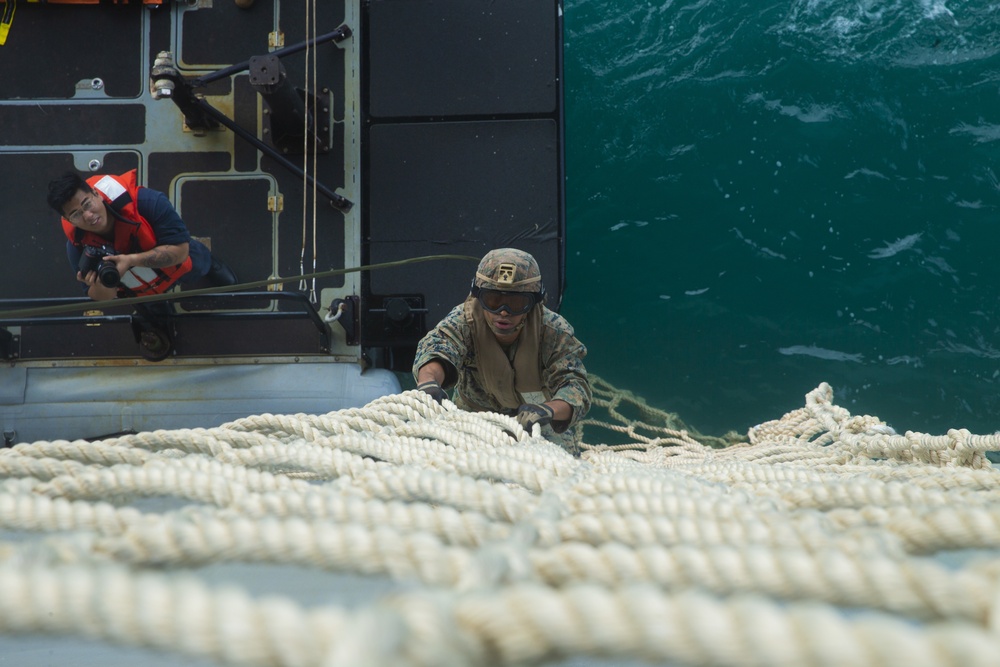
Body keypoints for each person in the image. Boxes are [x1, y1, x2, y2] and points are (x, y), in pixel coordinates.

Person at [413, 247, 592, 455]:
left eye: (516, 303)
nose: (504, 312)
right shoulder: (464, 321)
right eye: (493, 301)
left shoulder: (553, 331)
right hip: (473, 414)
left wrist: (548, 411)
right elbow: (438, 347)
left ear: (534, 303)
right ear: (478, 297)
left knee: (563, 465)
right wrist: (428, 383)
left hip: (537, 417)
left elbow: (575, 387)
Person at [46, 169, 237, 302]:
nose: (88, 216)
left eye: (87, 204)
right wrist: (101, 285)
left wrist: (130, 261)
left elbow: (180, 251)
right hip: (139, 290)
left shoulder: (150, 202)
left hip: (180, 263)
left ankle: (210, 265)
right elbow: (100, 297)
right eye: (76, 214)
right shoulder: (77, 247)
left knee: (199, 262)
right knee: (152, 308)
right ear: (69, 220)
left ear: (97, 194)